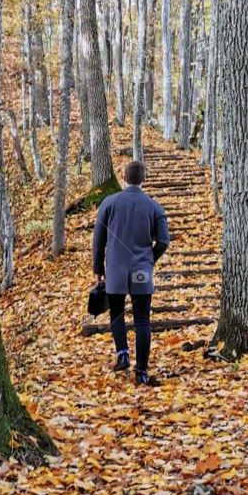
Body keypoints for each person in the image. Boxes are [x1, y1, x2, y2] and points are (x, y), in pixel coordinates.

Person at [92, 159, 170, 385]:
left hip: (115, 271)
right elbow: (163, 241)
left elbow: (98, 241)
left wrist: (98, 269)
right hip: (141, 273)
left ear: (124, 178)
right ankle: (142, 371)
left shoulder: (109, 203)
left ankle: (122, 354)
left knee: (116, 313)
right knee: (142, 320)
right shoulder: (154, 207)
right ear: (144, 179)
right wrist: (149, 261)